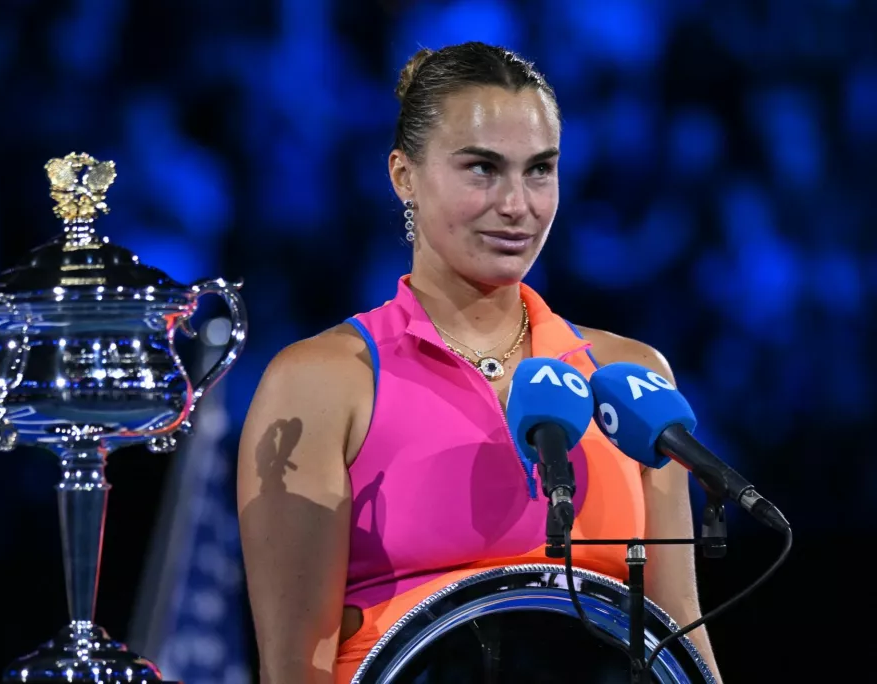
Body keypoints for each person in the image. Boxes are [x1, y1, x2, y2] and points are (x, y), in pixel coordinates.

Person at [237, 41, 722, 683]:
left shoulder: (629, 382)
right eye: (482, 169)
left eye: (540, 170)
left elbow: (679, 629)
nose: (518, 204)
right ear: (403, 175)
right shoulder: (322, 382)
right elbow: (295, 667)